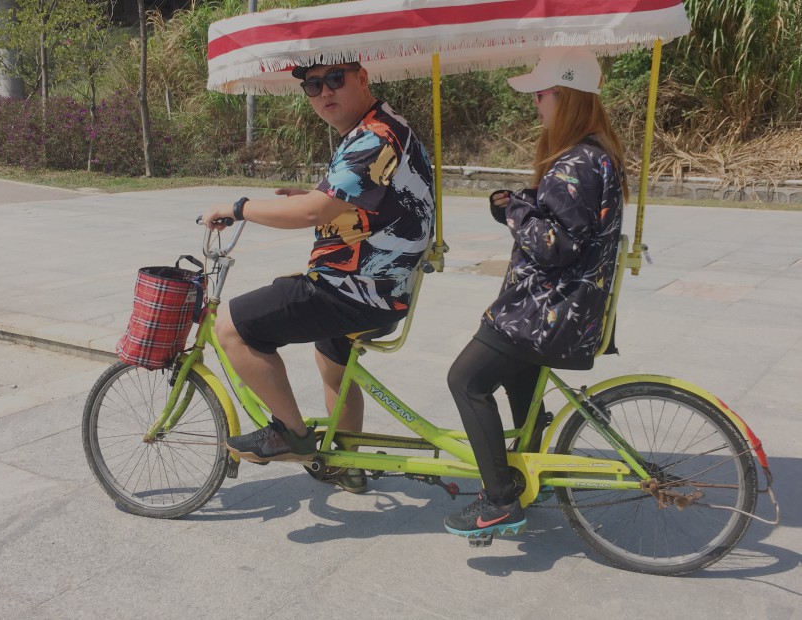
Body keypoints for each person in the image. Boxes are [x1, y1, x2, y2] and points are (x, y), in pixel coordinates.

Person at [202, 60, 435, 493]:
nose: (325, 92)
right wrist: (317, 197)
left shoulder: (374, 137)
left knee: (231, 326)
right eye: (313, 86)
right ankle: (347, 463)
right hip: (380, 288)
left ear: (362, 78)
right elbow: (347, 201)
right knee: (332, 361)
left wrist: (238, 208)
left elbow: (313, 212)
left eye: (335, 79)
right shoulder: (380, 126)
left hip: (355, 290)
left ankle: (290, 434)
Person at [443, 47, 629, 537]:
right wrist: (523, 203)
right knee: (517, 379)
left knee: (466, 381)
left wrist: (515, 211)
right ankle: (531, 471)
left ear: (566, 97)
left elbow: (556, 246)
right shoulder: (596, 154)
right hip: (566, 309)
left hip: (544, 311)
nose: (535, 104)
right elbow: (569, 227)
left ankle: (500, 500)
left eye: (541, 94)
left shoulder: (575, 163)